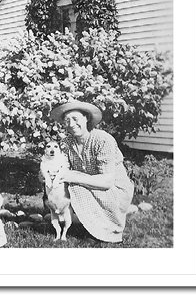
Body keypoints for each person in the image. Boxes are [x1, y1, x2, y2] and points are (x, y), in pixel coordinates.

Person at [49, 100, 135, 243]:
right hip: (91, 184)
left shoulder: (103, 140)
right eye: (67, 120)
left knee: (75, 186)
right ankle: (79, 224)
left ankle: (102, 232)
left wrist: (72, 176)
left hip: (115, 189)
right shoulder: (66, 143)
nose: (71, 124)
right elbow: (61, 167)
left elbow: (107, 182)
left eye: (75, 119)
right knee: (63, 183)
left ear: (86, 118)